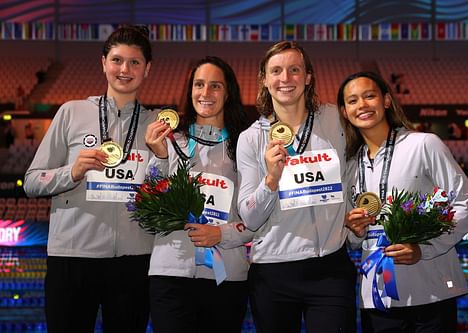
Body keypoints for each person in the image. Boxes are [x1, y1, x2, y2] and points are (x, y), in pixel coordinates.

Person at [24, 25, 156, 333]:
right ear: (103, 63)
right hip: (72, 258)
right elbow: (32, 181)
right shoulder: (71, 112)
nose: (125, 69)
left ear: (147, 69)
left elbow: (164, 187)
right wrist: (71, 172)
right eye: (117, 60)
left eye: (135, 62)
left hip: (134, 261)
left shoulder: (155, 123)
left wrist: (161, 156)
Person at [337, 71, 468, 333]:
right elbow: (356, 241)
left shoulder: (424, 144)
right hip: (378, 296)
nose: (362, 105)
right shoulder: (350, 165)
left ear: (387, 101)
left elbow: (467, 206)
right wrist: (355, 230)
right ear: (344, 112)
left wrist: (423, 248)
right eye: (353, 100)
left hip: (431, 288)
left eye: (369, 96)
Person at [236, 41, 357, 333]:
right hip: (273, 272)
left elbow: (357, 171)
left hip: (330, 267)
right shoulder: (251, 139)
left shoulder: (335, 119)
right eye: (276, 71)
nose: (285, 78)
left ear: (308, 77)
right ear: (264, 79)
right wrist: (271, 180)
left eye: (294, 70)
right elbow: (249, 217)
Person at [144, 56, 253, 333]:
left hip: (226, 275)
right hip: (170, 272)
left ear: (228, 93)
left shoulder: (245, 145)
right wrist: (158, 157)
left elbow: (259, 214)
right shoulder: (171, 141)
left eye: (215, 86)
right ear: (190, 90)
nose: (205, 93)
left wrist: (223, 235)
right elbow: (149, 205)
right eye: (199, 84)